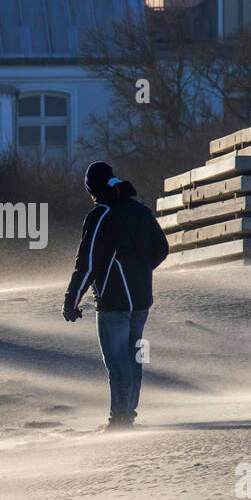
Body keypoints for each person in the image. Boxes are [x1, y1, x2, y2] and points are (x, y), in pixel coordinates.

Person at [62, 162, 169, 428]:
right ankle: (128, 414)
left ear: (93, 189)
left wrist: (72, 298)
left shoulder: (100, 216)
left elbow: (86, 264)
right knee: (135, 357)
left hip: (113, 303)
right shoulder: (141, 211)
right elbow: (162, 249)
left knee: (118, 362)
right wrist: (141, 271)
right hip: (141, 301)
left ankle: (119, 420)